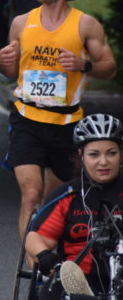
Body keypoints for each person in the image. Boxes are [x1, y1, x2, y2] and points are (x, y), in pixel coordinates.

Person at [0, 0, 117, 242]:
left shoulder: (84, 25)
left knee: (53, 200)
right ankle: (35, 261)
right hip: (27, 118)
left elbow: (109, 68)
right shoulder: (22, 23)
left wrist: (83, 65)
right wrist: (2, 60)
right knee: (31, 194)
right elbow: (9, 70)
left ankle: (51, 254)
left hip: (66, 124)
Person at [25, 113, 123, 299]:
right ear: (81, 155)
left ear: (120, 154)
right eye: (94, 154)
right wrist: (49, 260)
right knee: (61, 288)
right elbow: (35, 238)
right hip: (79, 276)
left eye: (112, 153)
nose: (103, 162)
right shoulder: (67, 194)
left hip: (119, 277)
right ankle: (78, 287)